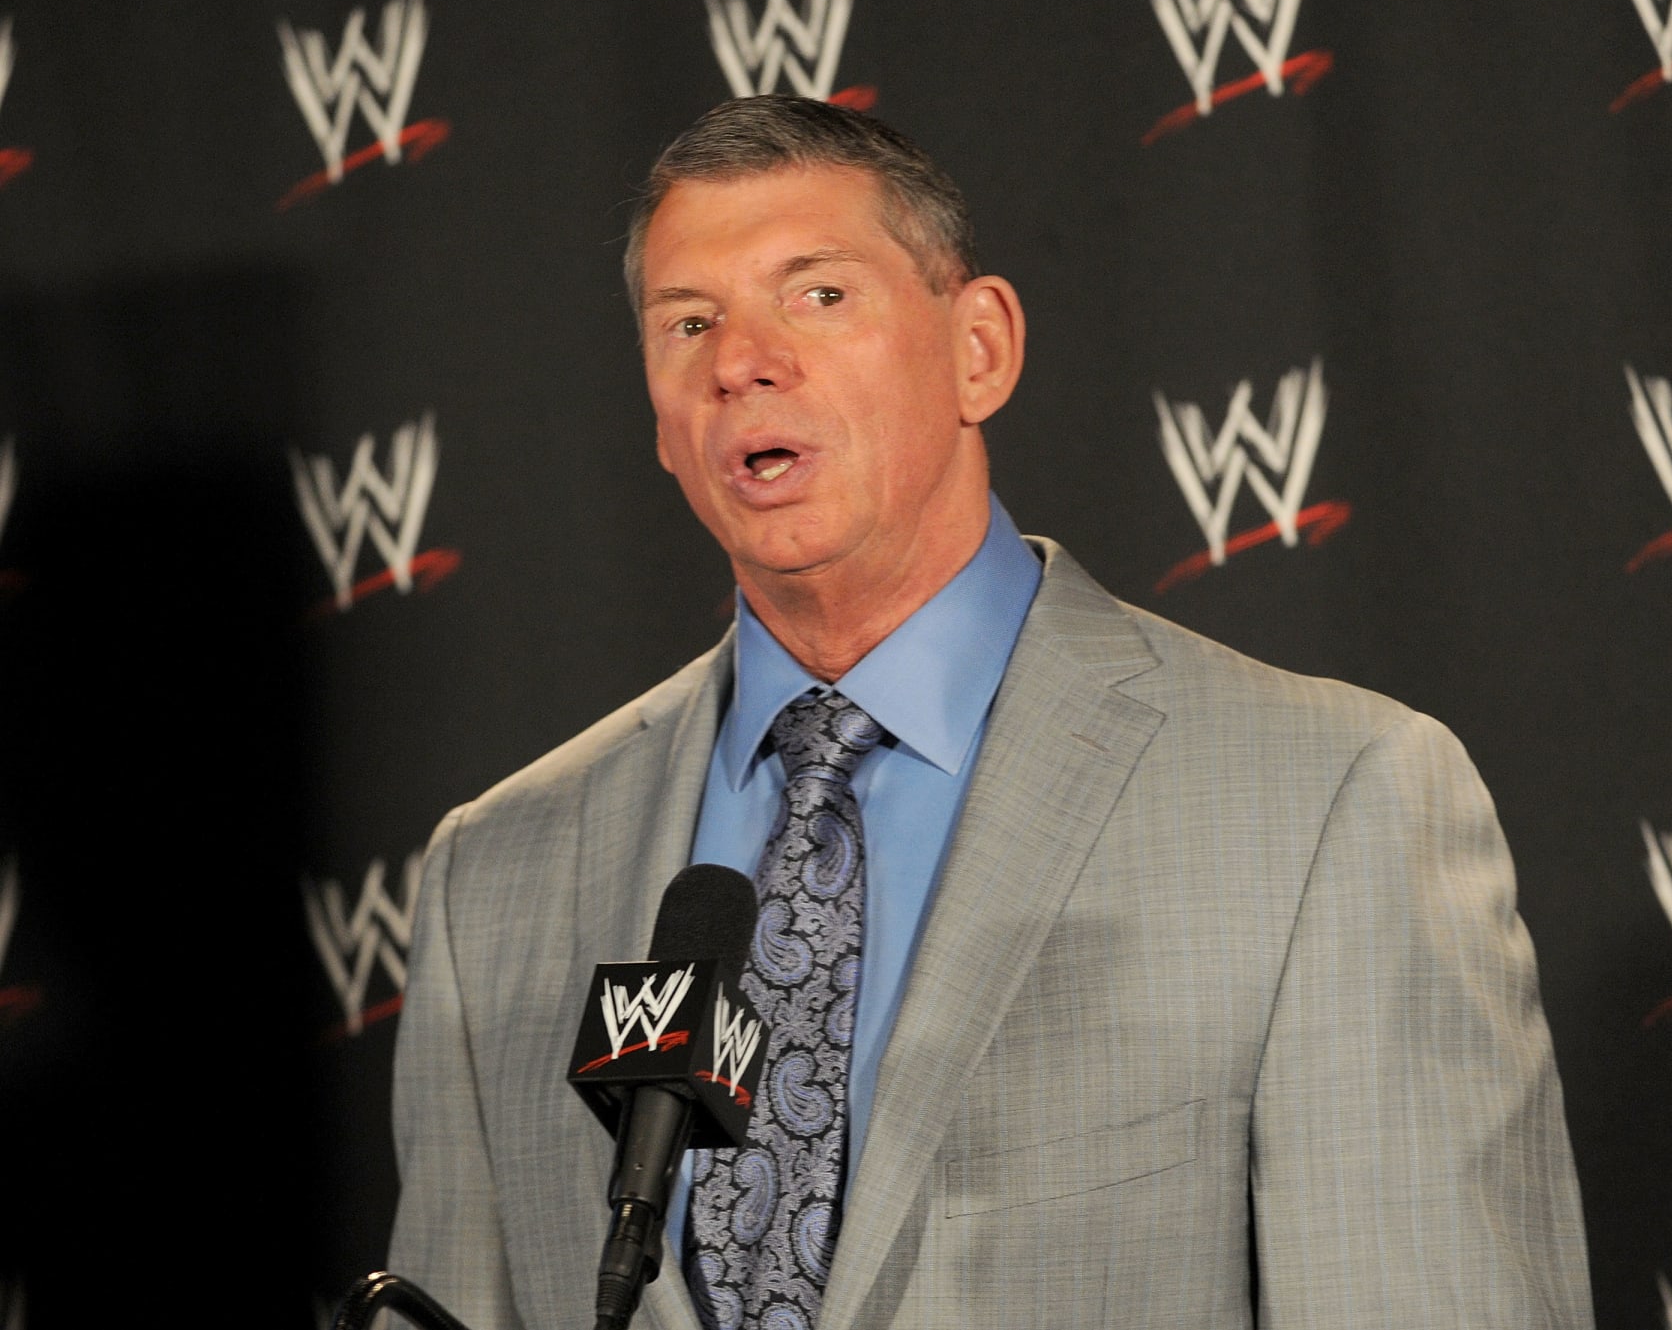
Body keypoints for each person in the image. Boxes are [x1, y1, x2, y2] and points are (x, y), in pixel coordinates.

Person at [387, 95, 1594, 1329]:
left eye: (819, 295)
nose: (740, 360)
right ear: (658, 417)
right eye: (688, 322)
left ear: (980, 350)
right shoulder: (498, 877)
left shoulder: (1330, 801)